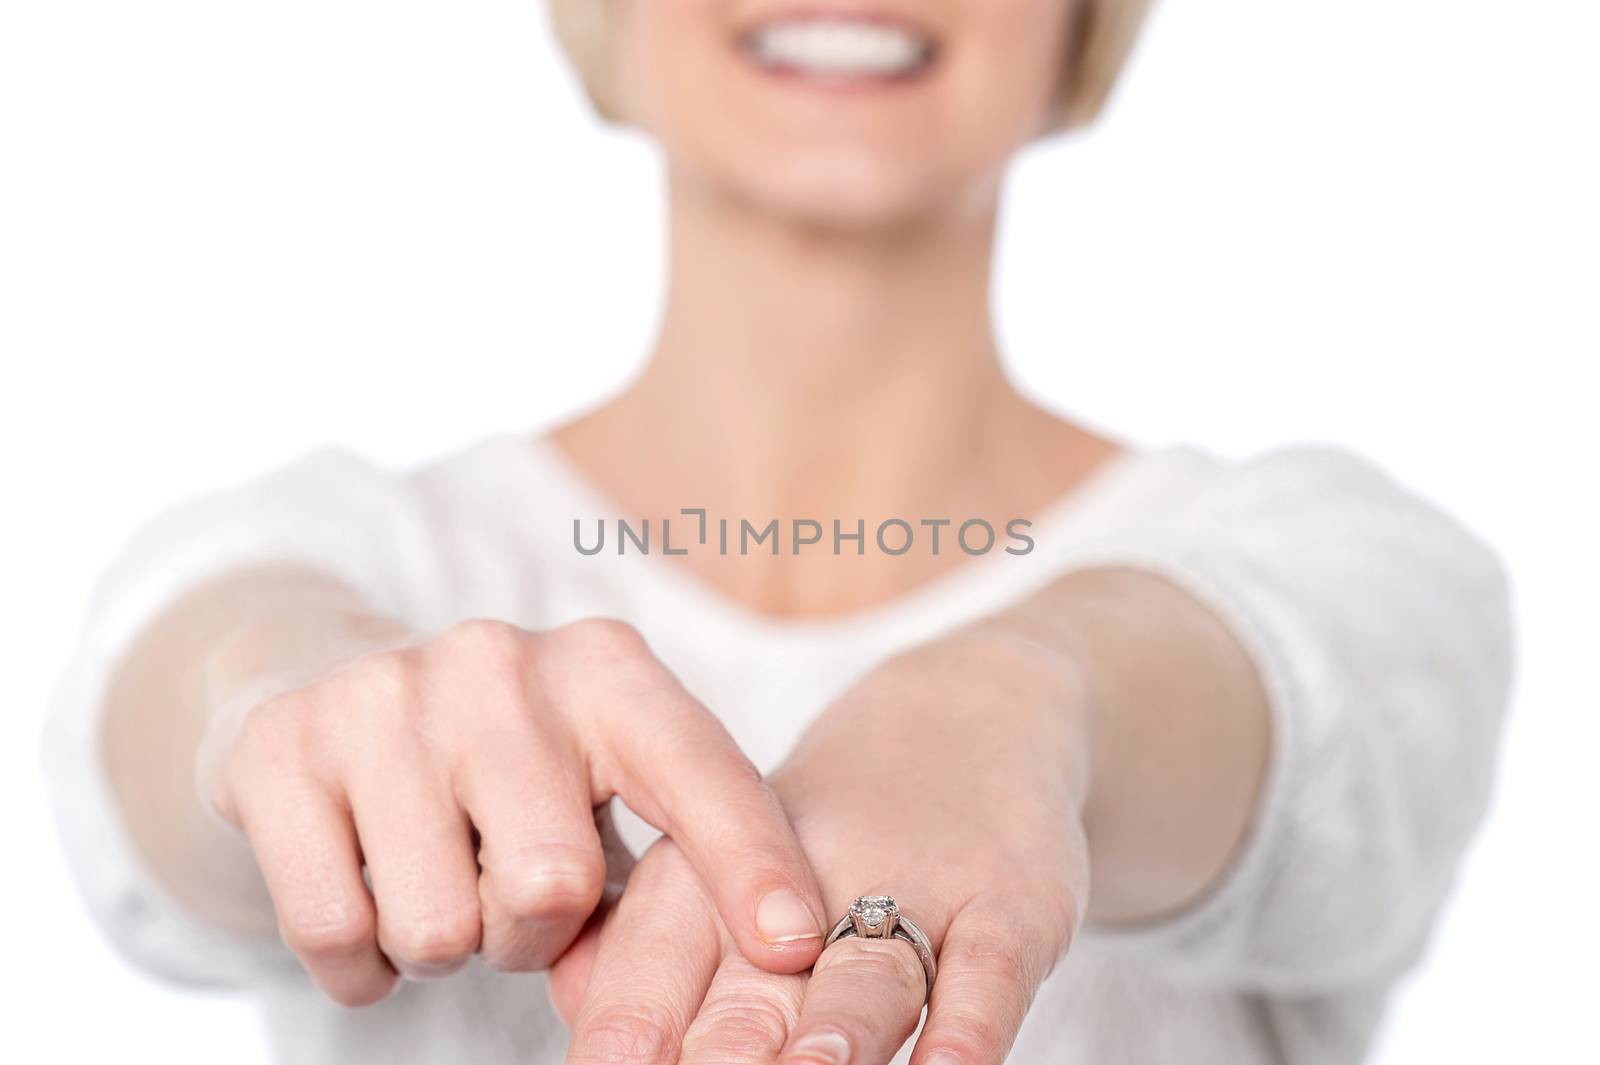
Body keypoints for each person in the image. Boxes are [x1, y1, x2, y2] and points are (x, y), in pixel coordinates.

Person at [43, 2, 1514, 1063]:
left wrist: (1015, 705)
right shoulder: (368, 549)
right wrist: (298, 714)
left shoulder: (1337, 556)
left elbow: (1305, 693)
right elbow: (183, 693)